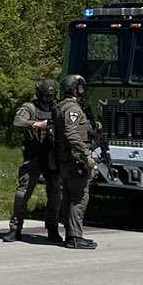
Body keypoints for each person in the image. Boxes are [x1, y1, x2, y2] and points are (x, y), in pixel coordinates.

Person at [7, 79, 62, 242]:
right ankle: (15, 228)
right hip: (34, 157)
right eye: (45, 95)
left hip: (52, 156)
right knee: (22, 193)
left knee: (55, 194)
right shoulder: (29, 108)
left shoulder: (57, 108)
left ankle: (52, 228)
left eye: (50, 96)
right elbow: (18, 122)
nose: (47, 99)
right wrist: (38, 124)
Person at [56, 74, 99, 250]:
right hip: (76, 160)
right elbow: (72, 133)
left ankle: (70, 234)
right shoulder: (73, 109)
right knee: (79, 198)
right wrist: (86, 155)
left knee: (69, 197)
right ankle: (74, 237)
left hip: (66, 159)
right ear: (76, 89)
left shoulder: (61, 106)